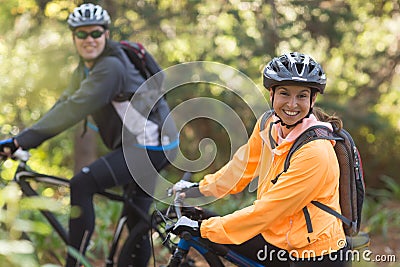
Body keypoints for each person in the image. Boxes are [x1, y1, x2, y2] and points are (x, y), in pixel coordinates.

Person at [0, 3, 178, 267]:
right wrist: (23, 140)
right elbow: (63, 104)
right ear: (73, 37)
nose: (89, 40)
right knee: (136, 220)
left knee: (82, 183)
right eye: (81, 34)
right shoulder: (85, 69)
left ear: (106, 34)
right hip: (155, 143)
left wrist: (20, 141)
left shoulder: (110, 69)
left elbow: (73, 110)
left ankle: (76, 262)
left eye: (95, 33)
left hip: (150, 147)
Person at [172, 52, 349, 266]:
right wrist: (200, 189)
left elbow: (269, 210)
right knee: (208, 229)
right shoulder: (269, 125)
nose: (292, 104)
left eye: (301, 96)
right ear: (272, 93)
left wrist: (205, 229)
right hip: (278, 236)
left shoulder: (315, 152)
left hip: (314, 254)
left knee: (208, 230)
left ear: (312, 99)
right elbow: (240, 169)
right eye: (284, 93)